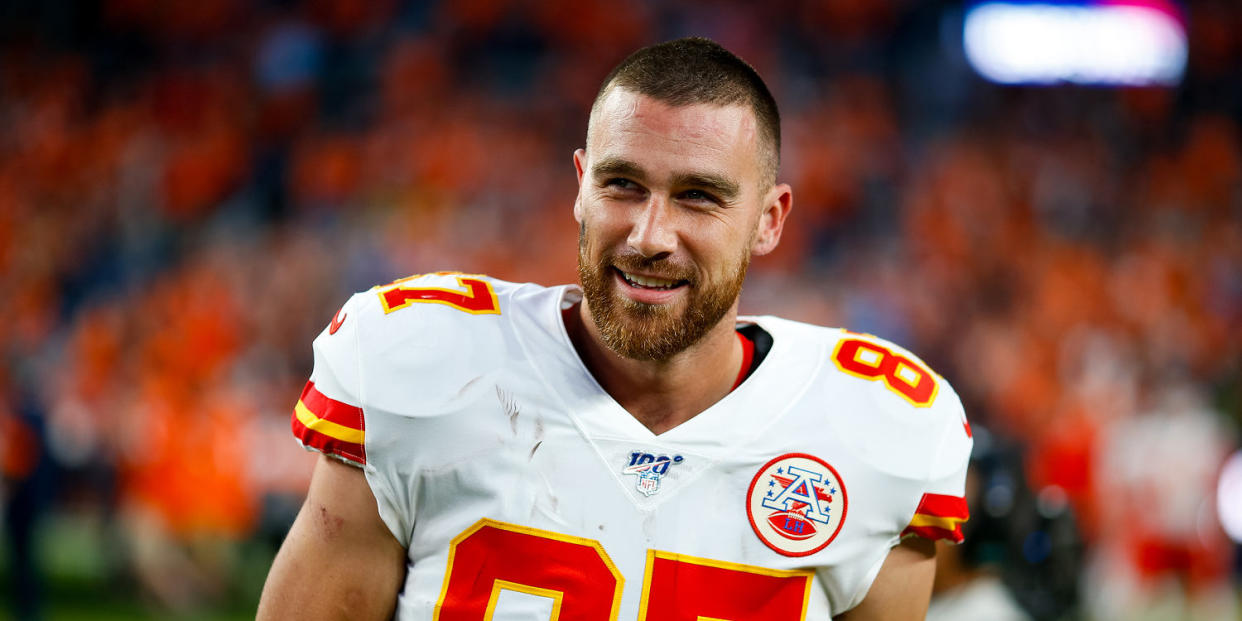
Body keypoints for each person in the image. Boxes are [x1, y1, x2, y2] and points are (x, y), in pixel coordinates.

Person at [257, 37, 972, 620]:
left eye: (698, 196)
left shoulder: (878, 429)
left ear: (770, 219)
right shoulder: (423, 360)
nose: (649, 235)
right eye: (623, 184)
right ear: (580, 184)